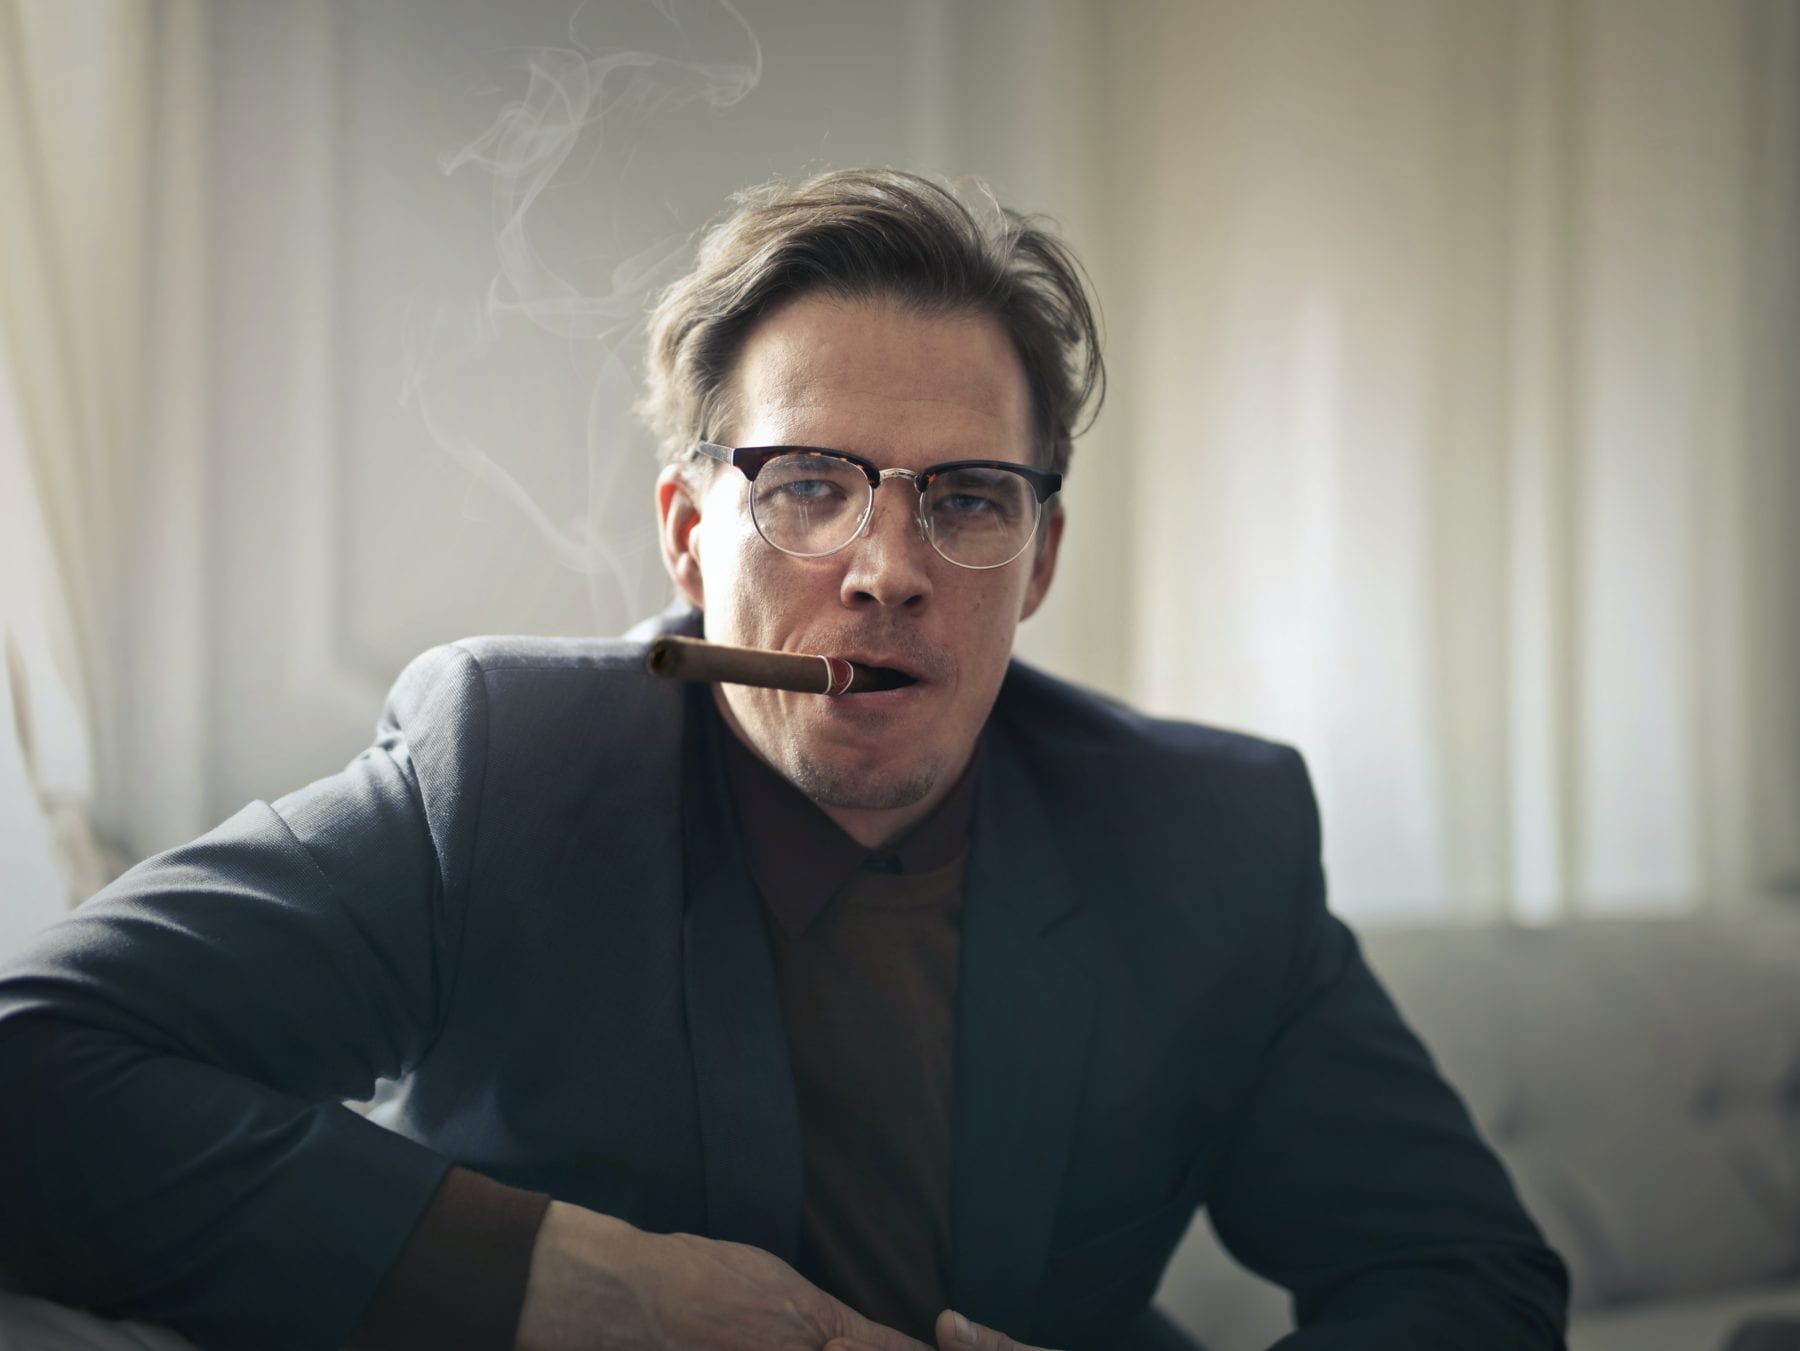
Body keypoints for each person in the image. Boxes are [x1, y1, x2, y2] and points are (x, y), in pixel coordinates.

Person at [0, 169, 1569, 1351]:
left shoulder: (1207, 838)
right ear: (691, 536)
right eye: (810, 485)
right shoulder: (512, 768)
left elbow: (1470, 1279)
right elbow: (33, 1076)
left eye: (965, 499)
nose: (888, 567)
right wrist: (567, 1281)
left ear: (1035, 560)